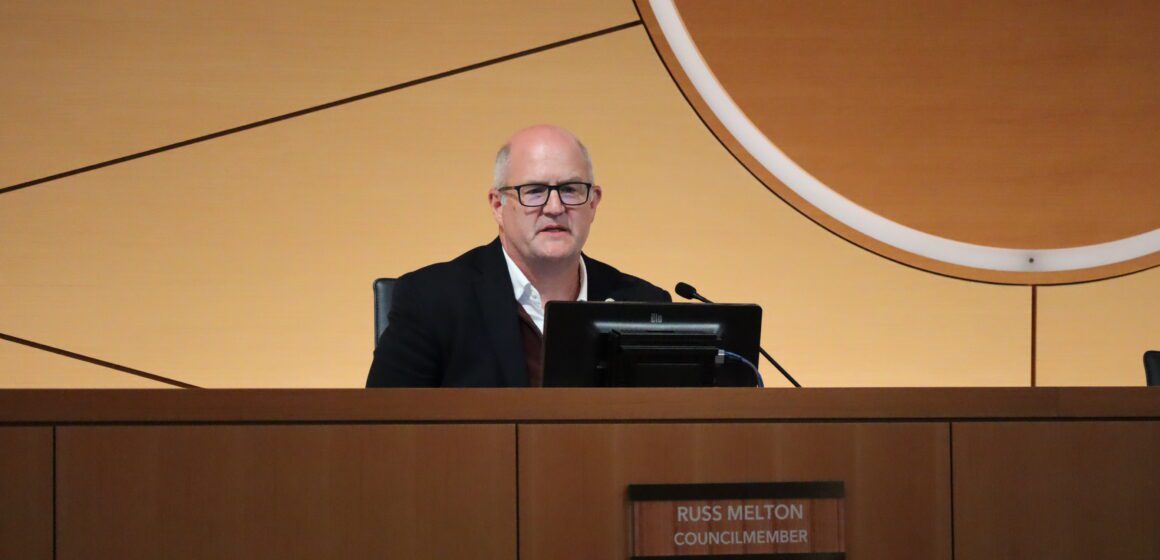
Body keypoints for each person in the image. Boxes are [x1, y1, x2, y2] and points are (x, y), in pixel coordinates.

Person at [367, 125, 670, 387]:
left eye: (571, 189)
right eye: (535, 191)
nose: (554, 207)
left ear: (593, 203)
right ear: (497, 205)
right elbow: (382, 432)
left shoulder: (645, 306)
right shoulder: (432, 301)